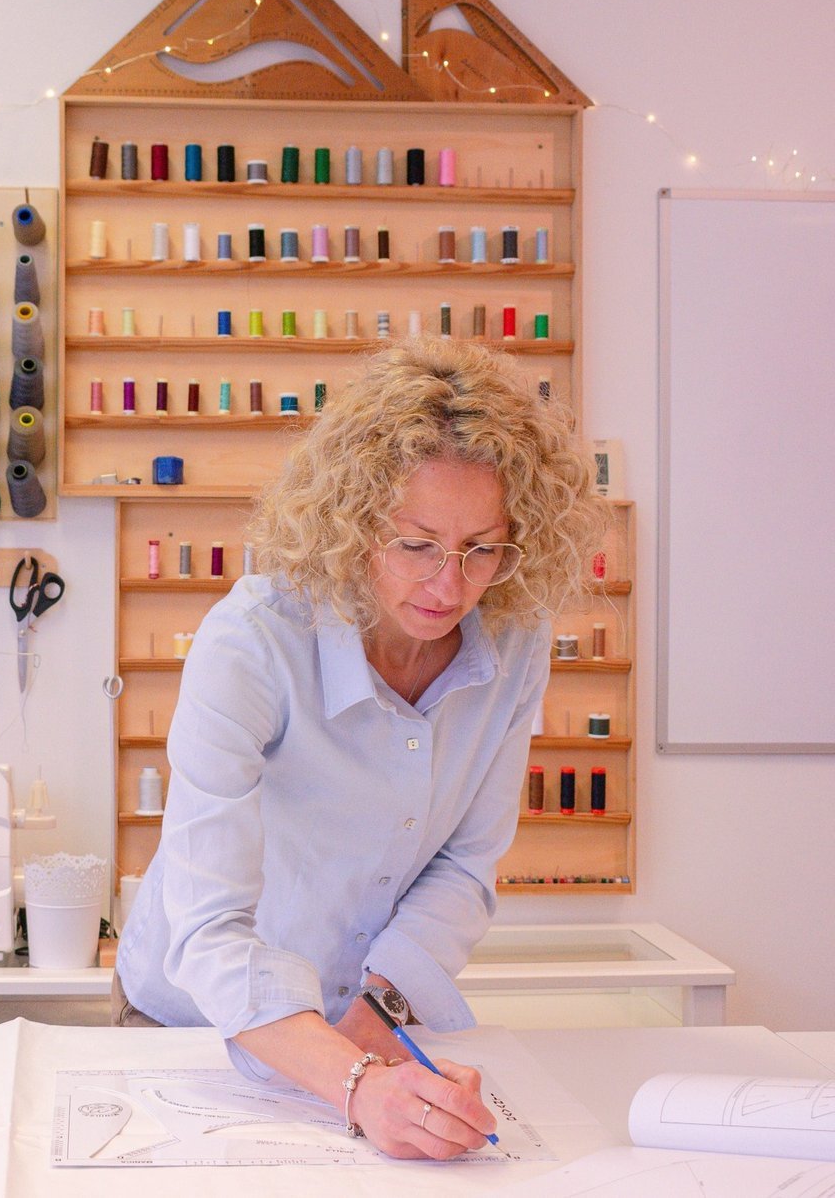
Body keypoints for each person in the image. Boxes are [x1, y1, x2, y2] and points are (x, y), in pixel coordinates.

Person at [113, 336, 606, 1159]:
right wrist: (354, 1082)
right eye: (416, 544)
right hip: (193, 1022)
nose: (449, 585)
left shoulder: (515, 642)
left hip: (368, 1021)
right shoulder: (254, 642)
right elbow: (207, 928)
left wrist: (378, 1015)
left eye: (483, 547)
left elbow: (464, 864)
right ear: (352, 519)